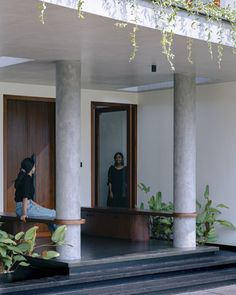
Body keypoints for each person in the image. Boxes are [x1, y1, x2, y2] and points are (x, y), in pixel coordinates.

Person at [14, 156, 56, 232]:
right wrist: (24, 214)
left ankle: (56, 239)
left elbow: (29, 200)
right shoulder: (27, 179)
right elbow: (25, 198)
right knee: (54, 214)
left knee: (51, 215)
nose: (35, 168)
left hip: (26, 206)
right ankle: (59, 240)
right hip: (25, 208)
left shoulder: (25, 178)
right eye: (34, 166)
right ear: (31, 167)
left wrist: (41, 208)